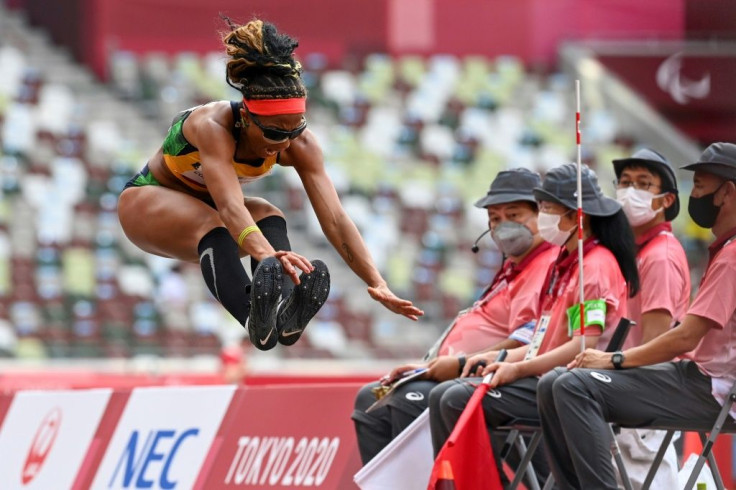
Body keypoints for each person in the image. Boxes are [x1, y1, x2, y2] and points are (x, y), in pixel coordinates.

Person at [117, 18, 423, 351]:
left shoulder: (300, 145)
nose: (283, 144)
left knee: (268, 212)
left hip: (207, 211)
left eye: (294, 130)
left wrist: (377, 282)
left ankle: (280, 312)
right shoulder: (212, 126)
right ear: (247, 118)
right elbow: (231, 207)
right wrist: (268, 256)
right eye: (275, 132)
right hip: (145, 204)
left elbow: (335, 219)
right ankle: (252, 317)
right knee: (218, 221)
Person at [537, 142, 736, 490]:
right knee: (557, 382)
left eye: (701, 186)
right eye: (624, 182)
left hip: (712, 388)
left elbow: (677, 339)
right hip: (691, 378)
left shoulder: (650, 258)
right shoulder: (716, 251)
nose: (696, 195)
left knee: (568, 384)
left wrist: (612, 360)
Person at [428, 163, 640, 483]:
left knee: (456, 398)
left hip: (571, 385)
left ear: (575, 217)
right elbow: (542, 341)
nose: (542, 218)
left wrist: (517, 369)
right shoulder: (563, 267)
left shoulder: (594, 267)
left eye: (548, 209)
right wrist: (491, 359)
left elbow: (582, 345)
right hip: (543, 376)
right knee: (447, 394)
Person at [351, 168, 558, 464]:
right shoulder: (513, 269)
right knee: (371, 399)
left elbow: (528, 339)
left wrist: (459, 364)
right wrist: (431, 366)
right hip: (460, 373)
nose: (503, 226)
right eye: (495, 219)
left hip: (495, 378)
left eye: (514, 216)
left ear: (543, 216)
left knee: (413, 398)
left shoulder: (547, 264)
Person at [611, 148, 691, 488]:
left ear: (665, 200)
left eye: (644, 184)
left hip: (643, 394)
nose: (631, 191)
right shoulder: (633, 252)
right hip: (625, 384)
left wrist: (609, 365)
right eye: (626, 182)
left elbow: (656, 346)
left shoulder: (660, 257)